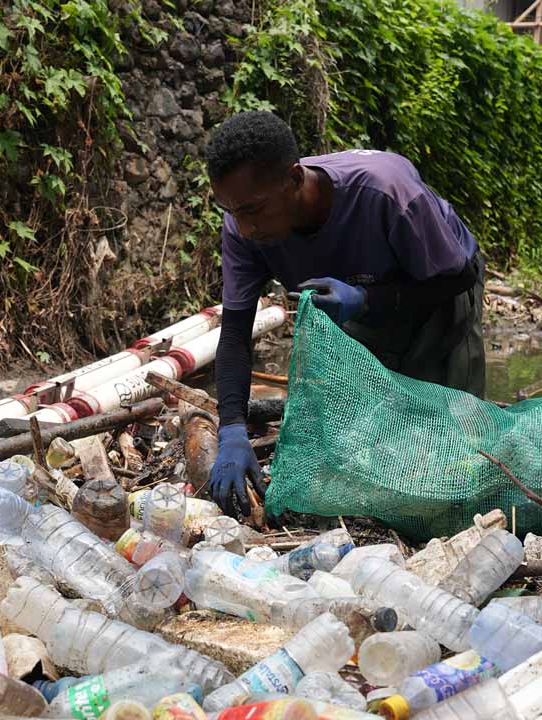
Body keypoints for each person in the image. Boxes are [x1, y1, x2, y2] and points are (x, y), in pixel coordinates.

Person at [205, 109, 486, 516]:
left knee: (450, 432)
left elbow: (456, 278)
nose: (244, 227)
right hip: (356, 303)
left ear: (296, 180)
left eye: (252, 210)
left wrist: (365, 299)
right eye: (230, 211)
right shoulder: (242, 229)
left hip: (437, 287)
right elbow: (234, 333)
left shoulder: (387, 194)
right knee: (372, 434)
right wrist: (231, 427)